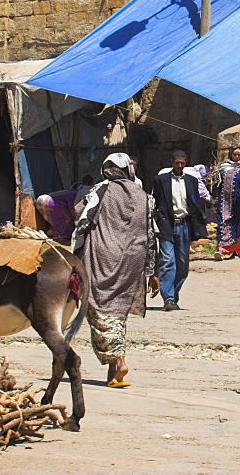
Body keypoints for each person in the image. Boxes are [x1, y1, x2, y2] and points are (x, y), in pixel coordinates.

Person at [71, 153, 160, 388]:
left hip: (101, 256)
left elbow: (83, 219)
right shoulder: (143, 196)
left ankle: (119, 361)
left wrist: (75, 253)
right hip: (132, 260)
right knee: (118, 310)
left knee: (99, 308)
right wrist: (152, 272)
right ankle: (112, 375)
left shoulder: (101, 190)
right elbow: (151, 235)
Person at [152, 150, 207, 311]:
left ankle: (174, 294)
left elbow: (195, 203)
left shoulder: (191, 181)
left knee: (182, 263)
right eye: (177, 163)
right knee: (167, 260)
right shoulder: (160, 180)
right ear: (171, 162)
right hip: (167, 226)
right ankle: (167, 297)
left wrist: (198, 226)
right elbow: (156, 203)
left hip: (184, 226)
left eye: (182, 163)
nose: (180, 165)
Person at [214, 147, 240, 259]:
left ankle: (236, 251)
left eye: (239, 155)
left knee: (236, 226)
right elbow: (216, 183)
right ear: (230, 155)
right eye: (235, 155)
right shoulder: (223, 168)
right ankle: (221, 250)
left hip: (237, 202)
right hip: (223, 202)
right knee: (222, 223)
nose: (237, 157)